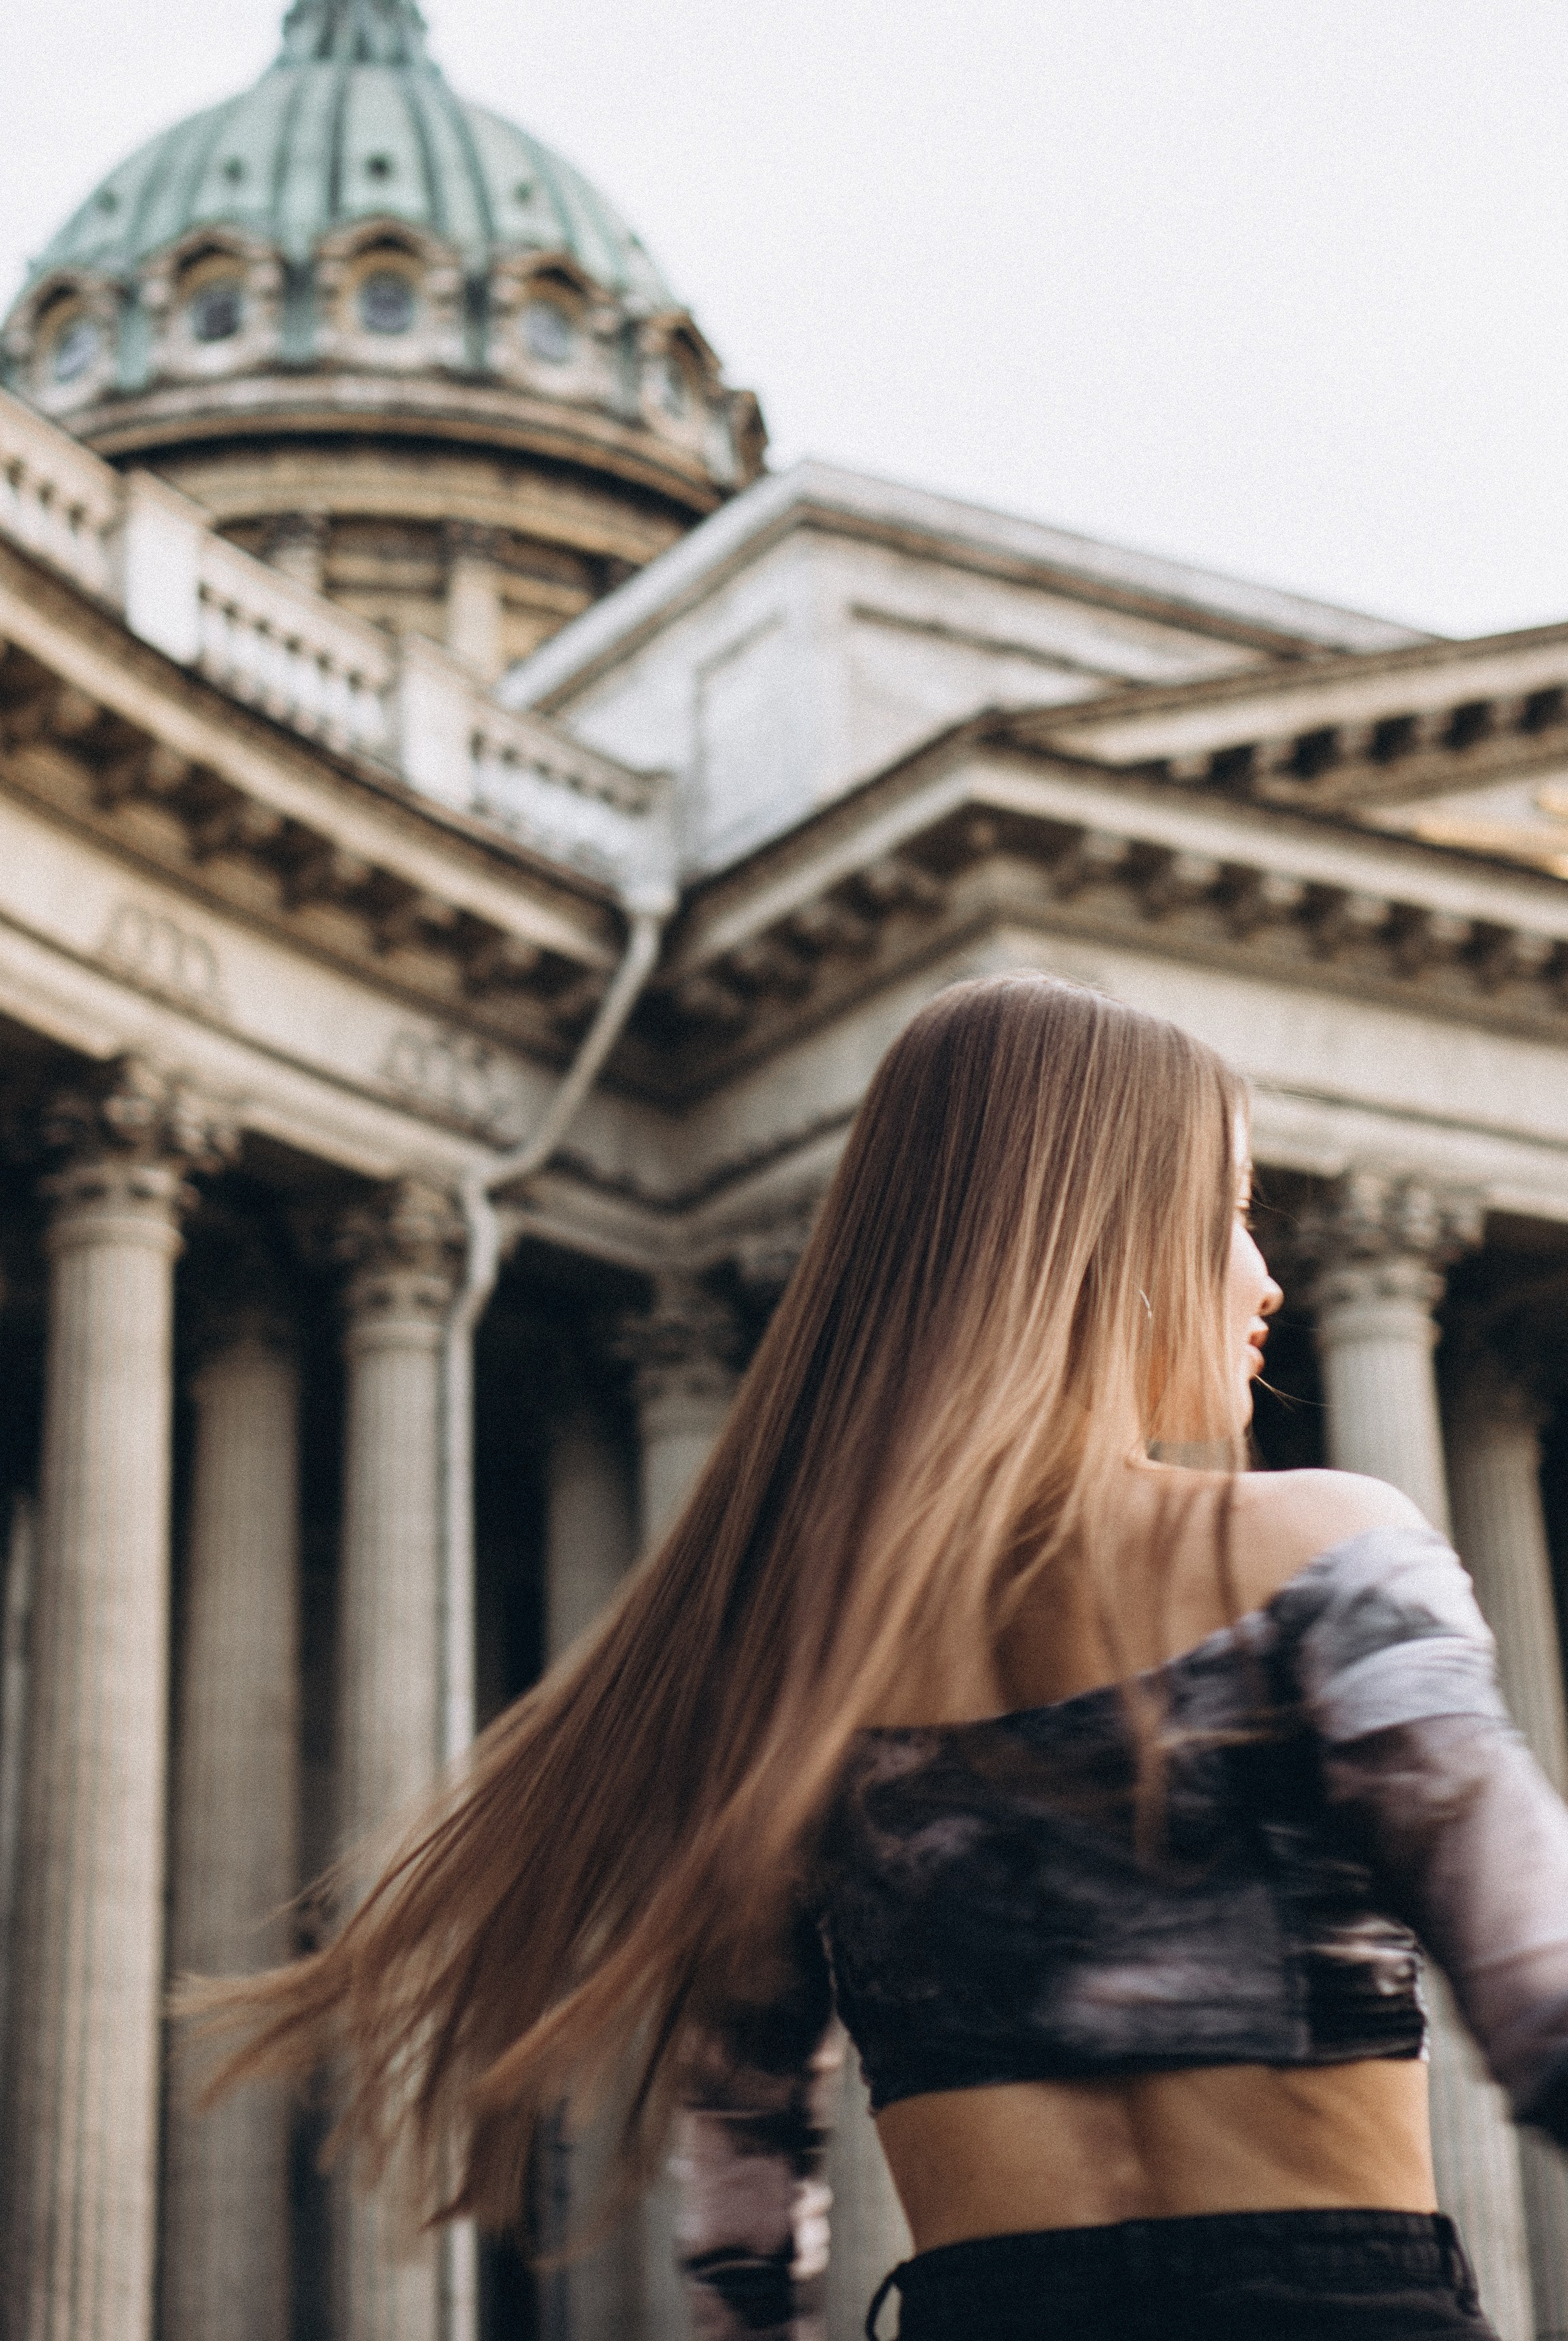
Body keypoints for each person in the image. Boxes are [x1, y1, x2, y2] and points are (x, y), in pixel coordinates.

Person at [189, 973, 1568, 2339]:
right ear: (1094, 1230)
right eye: (1225, 1214)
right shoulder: (1327, 1554)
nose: (1261, 1278)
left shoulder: (799, 1670)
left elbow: (738, 2221)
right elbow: (1542, 1999)